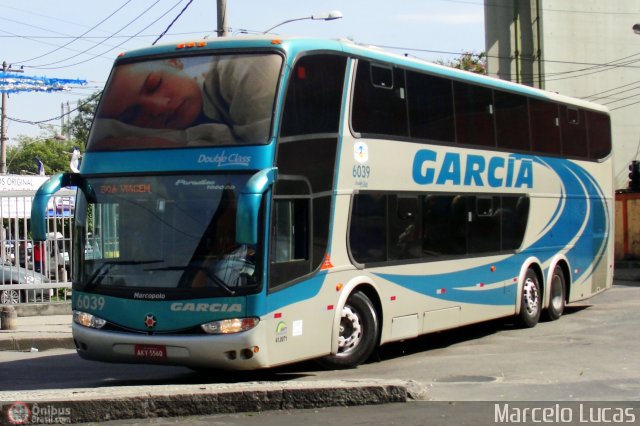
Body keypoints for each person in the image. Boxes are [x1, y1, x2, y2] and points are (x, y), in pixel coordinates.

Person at [91, 54, 282, 149]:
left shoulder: (246, 66)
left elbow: (257, 158)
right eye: (134, 114)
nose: (158, 107)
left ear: (174, 63)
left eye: (155, 84)